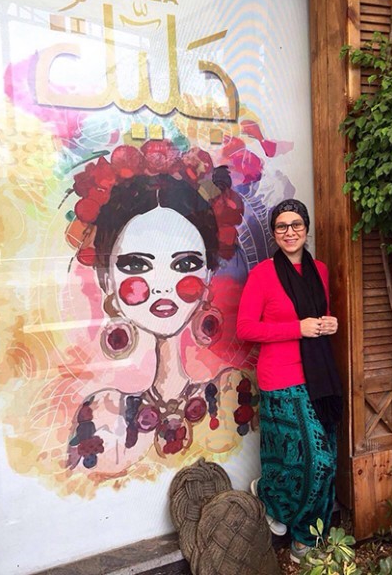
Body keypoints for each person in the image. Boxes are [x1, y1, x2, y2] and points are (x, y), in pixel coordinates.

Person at [66, 141, 257, 476]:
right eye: (137, 265)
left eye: (185, 265)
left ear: (208, 275)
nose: (164, 286)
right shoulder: (100, 415)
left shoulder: (233, 393)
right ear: (106, 279)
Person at [236, 198, 342, 563]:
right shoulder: (262, 274)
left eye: (296, 224)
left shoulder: (320, 270)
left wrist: (329, 323)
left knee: (324, 460)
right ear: (274, 233)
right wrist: (297, 328)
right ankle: (271, 493)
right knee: (311, 461)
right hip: (281, 379)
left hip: (319, 377)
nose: (290, 232)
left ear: (306, 229)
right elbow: (245, 328)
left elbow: (318, 315)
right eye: (282, 226)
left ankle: (305, 537)